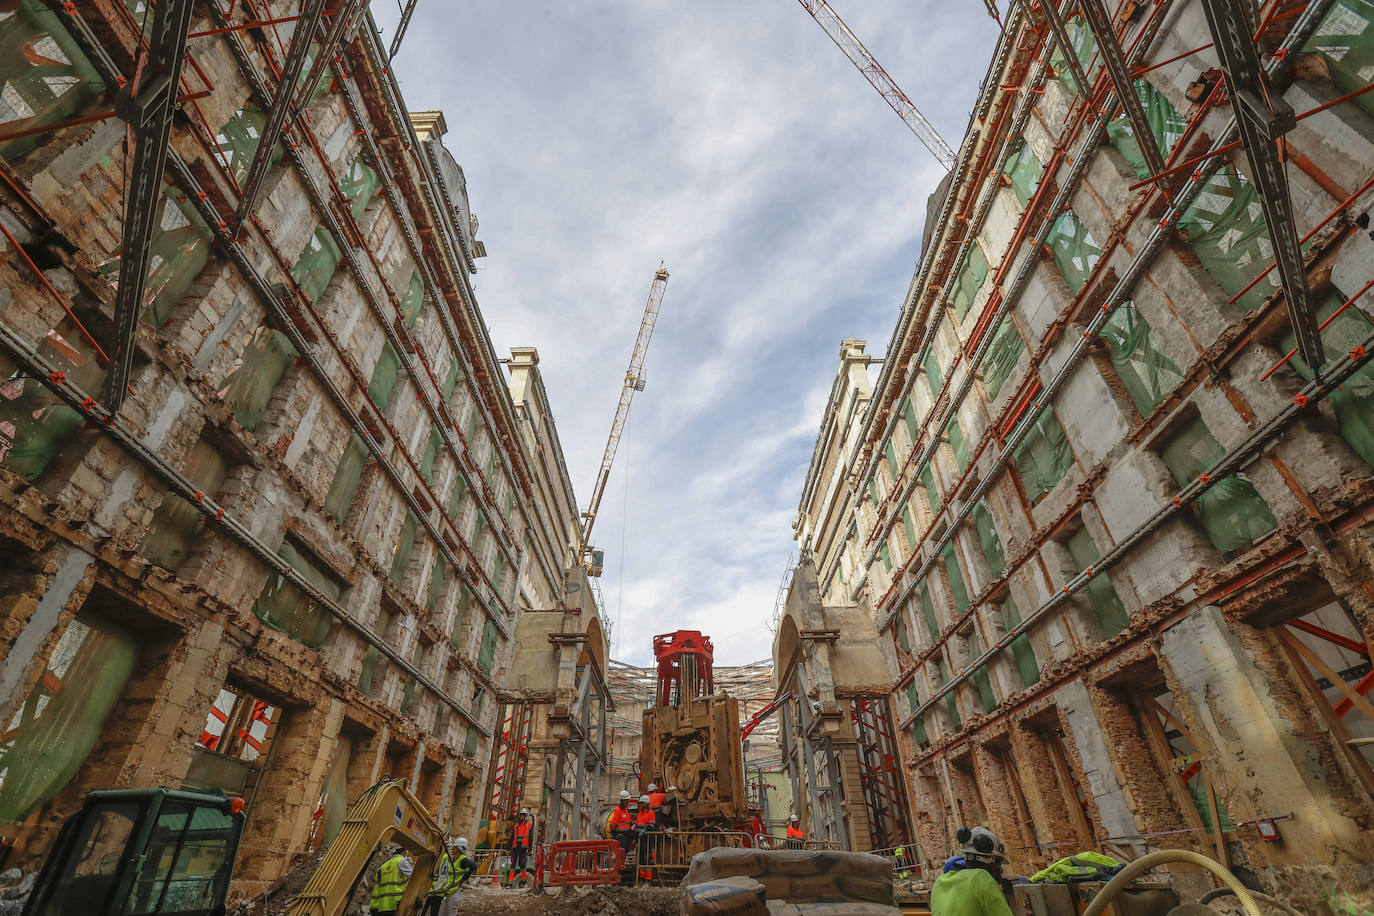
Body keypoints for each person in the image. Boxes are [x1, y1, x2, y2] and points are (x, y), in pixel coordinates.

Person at [931, 826, 1013, 916]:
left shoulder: (939, 882)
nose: (999, 870)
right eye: (998, 864)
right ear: (990, 860)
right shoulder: (982, 878)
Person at [424, 836, 476, 916]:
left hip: (455, 892)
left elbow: (473, 866)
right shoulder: (454, 859)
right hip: (448, 892)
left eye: (454, 847)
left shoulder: (462, 859)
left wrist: (465, 878)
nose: (452, 849)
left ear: (458, 848)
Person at [369, 845, 414, 916]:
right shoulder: (401, 862)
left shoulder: (383, 867)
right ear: (405, 851)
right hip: (393, 905)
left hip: (379, 905)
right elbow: (414, 876)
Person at [508, 808, 534, 888]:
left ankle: (523, 881)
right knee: (513, 865)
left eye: (523, 815)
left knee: (522, 864)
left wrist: (530, 849)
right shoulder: (516, 826)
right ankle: (510, 883)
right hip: (515, 848)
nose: (522, 817)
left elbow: (530, 838)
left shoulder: (529, 826)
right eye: (521, 815)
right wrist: (509, 849)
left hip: (523, 849)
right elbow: (512, 838)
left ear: (525, 816)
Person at [634, 793, 658, 879]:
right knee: (641, 859)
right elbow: (638, 824)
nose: (639, 805)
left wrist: (645, 830)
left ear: (645, 804)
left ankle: (648, 878)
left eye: (640, 803)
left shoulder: (651, 813)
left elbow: (652, 825)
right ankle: (641, 877)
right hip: (640, 839)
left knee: (647, 858)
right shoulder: (640, 813)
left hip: (647, 839)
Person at [609, 790, 635, 858]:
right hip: (620, 837)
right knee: (620, 854)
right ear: (622, 801)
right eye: (627, 800)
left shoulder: (625, 809)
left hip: (626, 836)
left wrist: (631, 822)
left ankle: (621, 867)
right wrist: (614, 835)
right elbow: (613, 824)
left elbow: (626, 820)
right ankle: (619, 867)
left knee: (624, 853)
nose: (628, 802)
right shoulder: (618, 810)